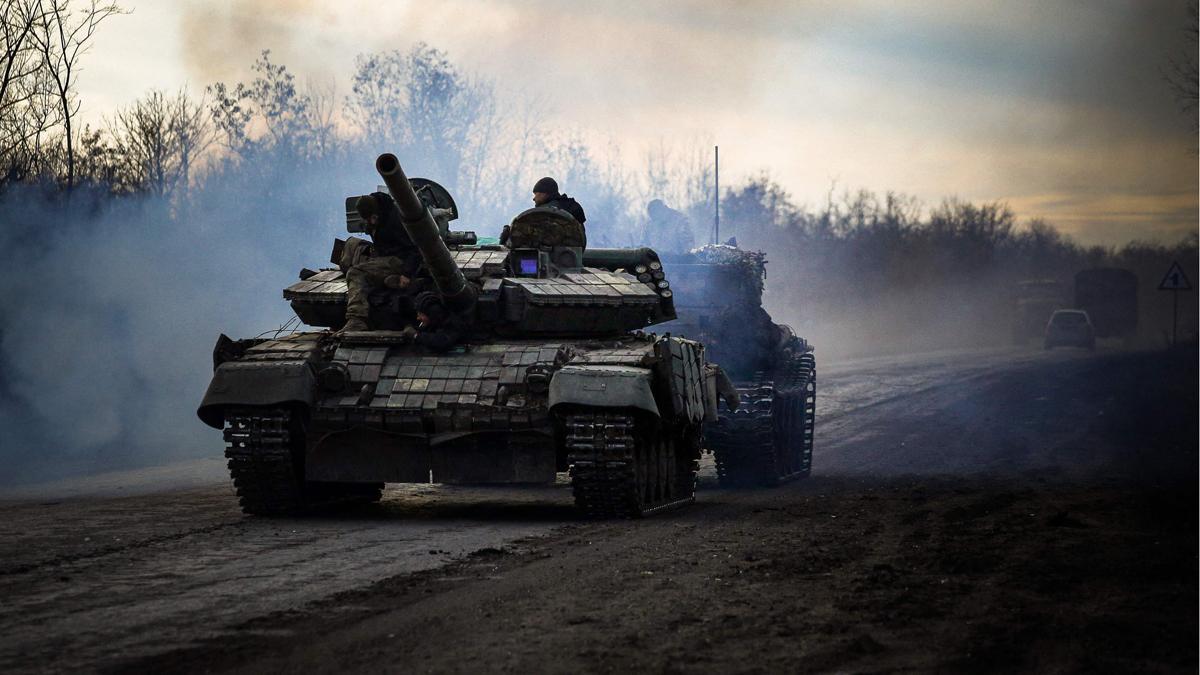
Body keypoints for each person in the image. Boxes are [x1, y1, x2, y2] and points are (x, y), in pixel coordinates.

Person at [340, 192, 422, 332]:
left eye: (373, 218)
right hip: (384, 258)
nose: (371, 222)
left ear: (377, 211)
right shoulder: (378, 216)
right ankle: (387, 279)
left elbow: (415, 249)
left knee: (356, 273)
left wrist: (407, 273)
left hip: (399, 260)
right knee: (353, 252)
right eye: (368, 219)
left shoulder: (397, 220)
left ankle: (357, 319)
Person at [499, 177, 587, 247]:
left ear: (544, 194)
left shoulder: (542, 214)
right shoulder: (572, 206)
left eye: (536, 194)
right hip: (570, 257)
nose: (534, 198)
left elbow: (521, 242)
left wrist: (506, 237)